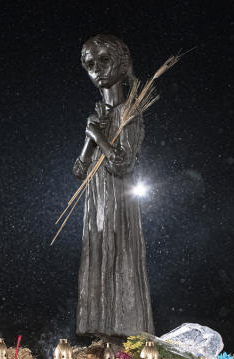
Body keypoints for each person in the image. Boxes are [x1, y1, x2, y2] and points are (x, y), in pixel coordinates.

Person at [73, 34, 154, 337]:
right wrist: (89, 137)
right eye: (90, 64)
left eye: (104, 60)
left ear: (121, 63)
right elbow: (80, 169)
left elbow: (122, 163)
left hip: (119, 201)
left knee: (120, 255)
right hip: (96, 203)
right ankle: (99, 332)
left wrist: (99, 138)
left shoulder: (129, 113)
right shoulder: (98, 115)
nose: (96, 70)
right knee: (97, 254)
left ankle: (124, 332)